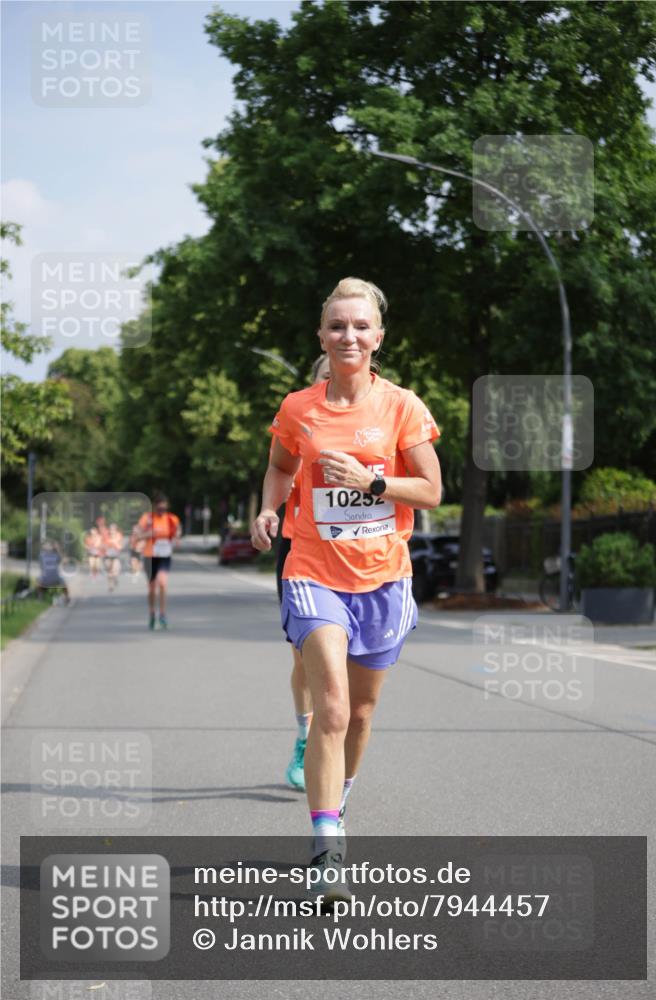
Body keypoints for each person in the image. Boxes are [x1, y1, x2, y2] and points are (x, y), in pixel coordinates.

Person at [251, 277, 441, 903]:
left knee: (360, 714)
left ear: (378, 337)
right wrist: (269, 511)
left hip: (384, 577)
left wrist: (372, 482)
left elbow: (432, 491)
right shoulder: (298, 408)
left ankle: (339, 797)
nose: (349, 336)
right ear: (322, 336)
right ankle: (326, 845)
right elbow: (280, 467)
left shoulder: (402, 407)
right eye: (338, 326)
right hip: (311, 570)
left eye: (361, 326)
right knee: (331, 707)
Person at [281, 354, 330, 791]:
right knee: (304, 660)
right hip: (301, 555)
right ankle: (304, 735)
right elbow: (276, 475)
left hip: (355, 561)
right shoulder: (300, 430)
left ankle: (330, 747)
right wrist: (263, 512)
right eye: (325, 376)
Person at [136, 494, 182, 629]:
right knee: (151, 588)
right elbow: (137, 536)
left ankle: (162, 614)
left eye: (164, 506)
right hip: (149, 556)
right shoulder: (147, 519)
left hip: (164, 556)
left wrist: (177, 536)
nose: (162, 509)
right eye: (159, 507)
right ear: (154, 506)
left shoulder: (172, 519)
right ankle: (152, 613)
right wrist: (149, 533)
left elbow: (178, 531)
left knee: (162, 583)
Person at [103, 523, 125, 593]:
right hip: (108, 556)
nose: (112, 531)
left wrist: (116, 545)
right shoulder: (106, 537)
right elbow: (102, 546)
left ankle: (115, 579)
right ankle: (110, 586)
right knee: (109, 572)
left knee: (115, 571)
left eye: (113, 529)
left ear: (116, 530)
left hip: (115, 556)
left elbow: (121, 546)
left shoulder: (119, 536)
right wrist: (107, 546)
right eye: (111, 529)